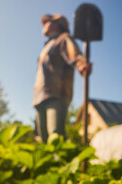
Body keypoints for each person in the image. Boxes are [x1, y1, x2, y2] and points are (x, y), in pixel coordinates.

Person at [33, 14, 92, 143]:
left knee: (55, 135)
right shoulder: (47, 46)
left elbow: (74, 54)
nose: (44, 26)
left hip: (56, 94)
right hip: (40, 96)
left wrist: (81, 64)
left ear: (56, 25)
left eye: (47, 23)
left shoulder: (63, 39)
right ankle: (49, 163)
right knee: (43, 138)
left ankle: (62, 162)